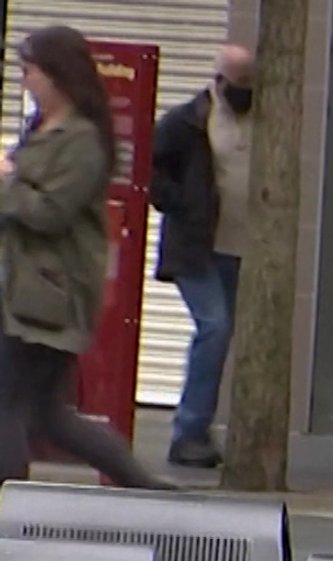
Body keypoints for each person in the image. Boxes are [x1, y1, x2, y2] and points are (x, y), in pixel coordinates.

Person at [0, 26, 171, 489]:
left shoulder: (83, 142)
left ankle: (8, 500)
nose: (25, 80)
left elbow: (50, 212)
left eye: (30, 70)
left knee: (10, 405)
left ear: (58, 76)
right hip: (20, 285)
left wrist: (6, 182)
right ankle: (142, 484)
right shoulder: (41, 130)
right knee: (49, 416)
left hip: (46, 294)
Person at [149, 43, 255, 470]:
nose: (245, 93)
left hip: (241, 245)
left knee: (224, 334)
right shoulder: (187, 122)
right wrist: (184, 204)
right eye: (238, 84)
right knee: (215, 325)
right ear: (218, 80)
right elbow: (150, 170)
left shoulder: (264, 120)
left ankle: (201, 429)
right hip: (197, 247)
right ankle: (188, 432)